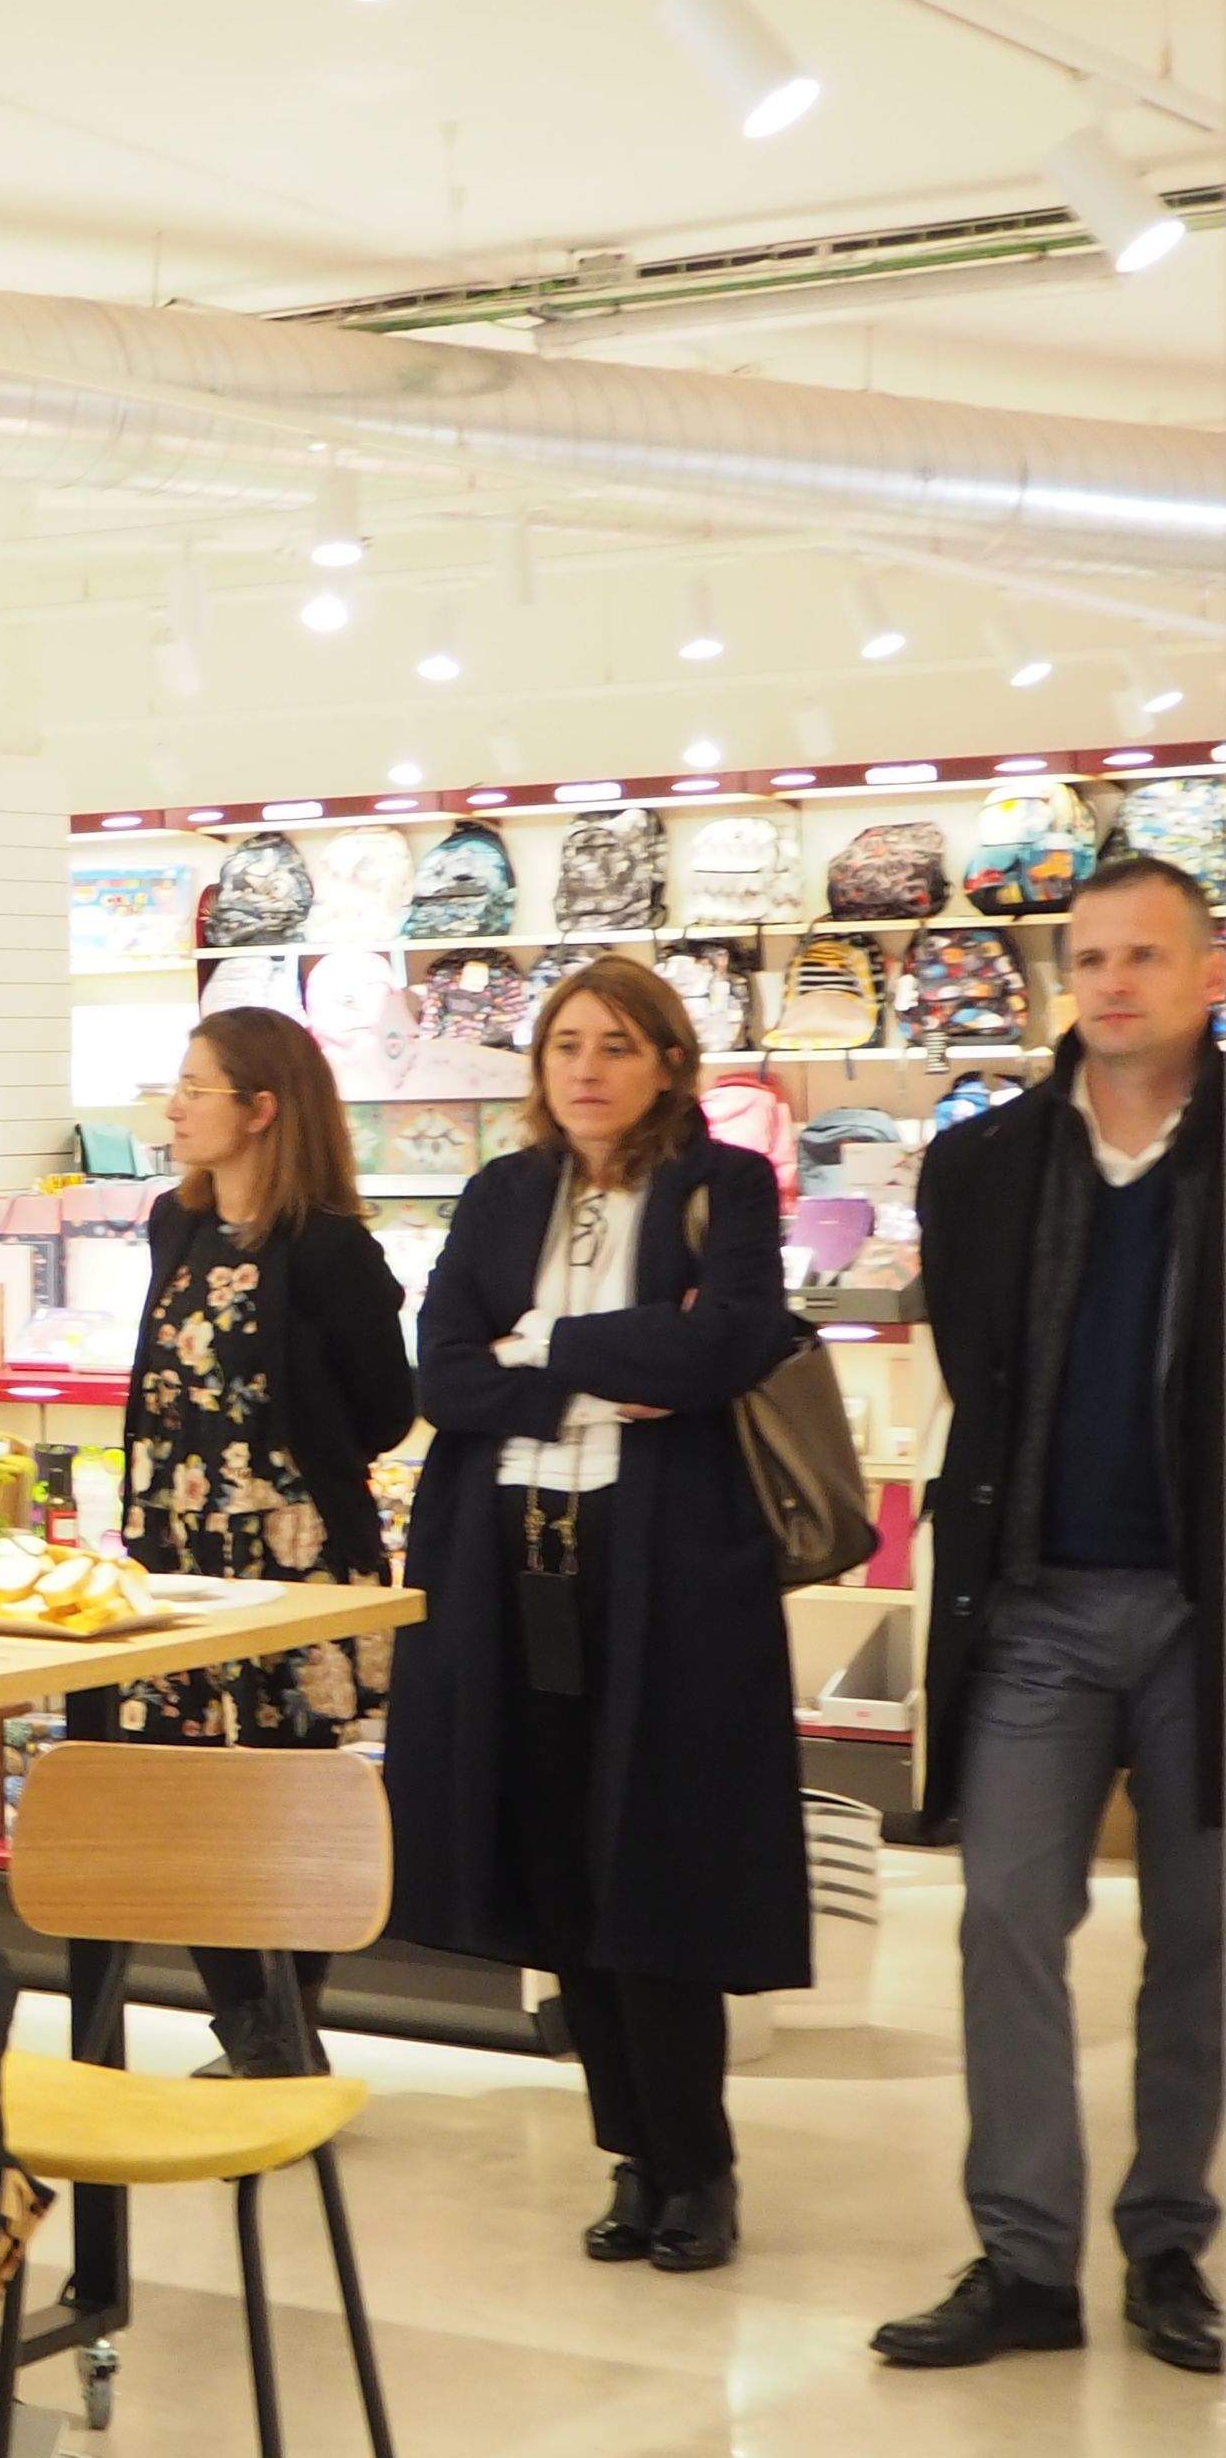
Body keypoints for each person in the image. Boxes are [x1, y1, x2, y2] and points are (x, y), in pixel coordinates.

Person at [387, 957, 806, 2278]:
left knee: (657, 1860)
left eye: (617, 1045)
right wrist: (612, 1359)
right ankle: (631, 2154)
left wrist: (545, 1345)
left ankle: (698, 2165)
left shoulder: (723, 1186)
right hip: (511, 1555)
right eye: (567, 1044)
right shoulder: (503, 1191)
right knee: (557, 1862)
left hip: (665, 1565)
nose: (586, 1068)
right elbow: (443, 1378)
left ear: (669, 1063)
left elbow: (727, 1346)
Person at [871, 855, 1221, 2375]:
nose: (1114, 983)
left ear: (1209, 974)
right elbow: (984, 1368)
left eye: (1145, 955)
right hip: (1036, 1608)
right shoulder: (986, 1164)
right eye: (1090, 958)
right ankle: (1024, 2262)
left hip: (1207, 1614)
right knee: (1006, 1918)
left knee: (1203, 1941)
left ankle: (1167, 2244)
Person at [116, 1008, 417, 2076]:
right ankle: (249, 2029)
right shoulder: (174, 1223)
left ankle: (284, 2035)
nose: (174, 1107)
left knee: (287, 1796)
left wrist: (276, 1473)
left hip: (295, 1560)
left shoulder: (331, 1249)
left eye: (195, 1087)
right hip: (176, 1557)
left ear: (262, 1109)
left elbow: (386, 1411)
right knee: (182, 1788)